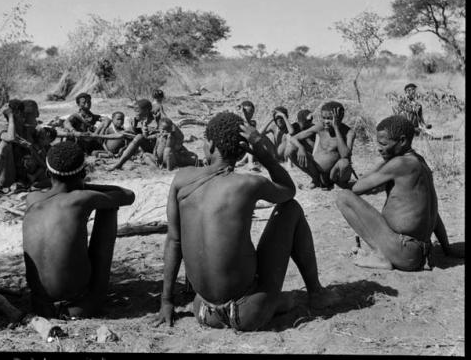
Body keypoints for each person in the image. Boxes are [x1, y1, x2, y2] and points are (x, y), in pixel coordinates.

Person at [154, 112, 339, 332]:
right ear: (243, 152)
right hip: (247, 313)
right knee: (291, 209)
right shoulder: (248, 183)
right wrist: (262, 149)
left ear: (210, 145)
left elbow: (174, 242)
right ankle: (315, 293)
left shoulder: (182, 178)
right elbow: (289, 191)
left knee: (276, 293)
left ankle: (277, 301)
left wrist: (166, 302)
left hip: (203, 311)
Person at [22, 141, 135, 318]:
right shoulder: (82, 198)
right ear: (83, 173)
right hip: (81, 305)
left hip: (40, 305)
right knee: (109, 205)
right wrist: (84, 187)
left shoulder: (32, 199)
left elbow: (56, 192)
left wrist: (75, 186)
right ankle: (94, 295)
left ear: (47, 173)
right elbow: (127, 195)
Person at [335, 115, 463, 270]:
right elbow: (432, 212)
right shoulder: (419, 162)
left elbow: (355, 189)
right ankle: (389, 252)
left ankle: (380, 255)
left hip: (403, 251)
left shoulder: (399, 164)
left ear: (402, 141)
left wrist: (339, 172)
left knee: (343, 197)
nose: (379, 148)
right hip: (421, 252)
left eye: (383, 144)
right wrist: (446, 248)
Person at [287, 101, 355, 190]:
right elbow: (293, 138)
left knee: (344, 163)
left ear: (340, 117)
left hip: (335, 173)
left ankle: (338, 184)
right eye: (324, 118)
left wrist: (336, 128)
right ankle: (316, 179)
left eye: (330, 118)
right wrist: (301, 147)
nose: (326, 121)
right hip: (317, 171)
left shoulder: (349, 133)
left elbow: (345, 155)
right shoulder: (320, 127)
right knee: (291, 150)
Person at [0, 100, 32, 202]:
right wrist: (11, 117)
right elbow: (11, 137)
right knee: (5, 144)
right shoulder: (3, 127)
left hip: (20, 176)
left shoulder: (23, 128)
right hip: (5, 177)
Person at [108, 99, 159, 171]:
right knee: (130, 133)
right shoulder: (142, 121)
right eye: (135, 111)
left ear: (146, 111)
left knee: (139, 137)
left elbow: (152, 137)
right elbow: (127, 134)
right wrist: (134, 126)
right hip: (147, 149)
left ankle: (119, 164)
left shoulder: (155, 121)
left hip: (156, 149)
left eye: (137, 111)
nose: (135, 114)